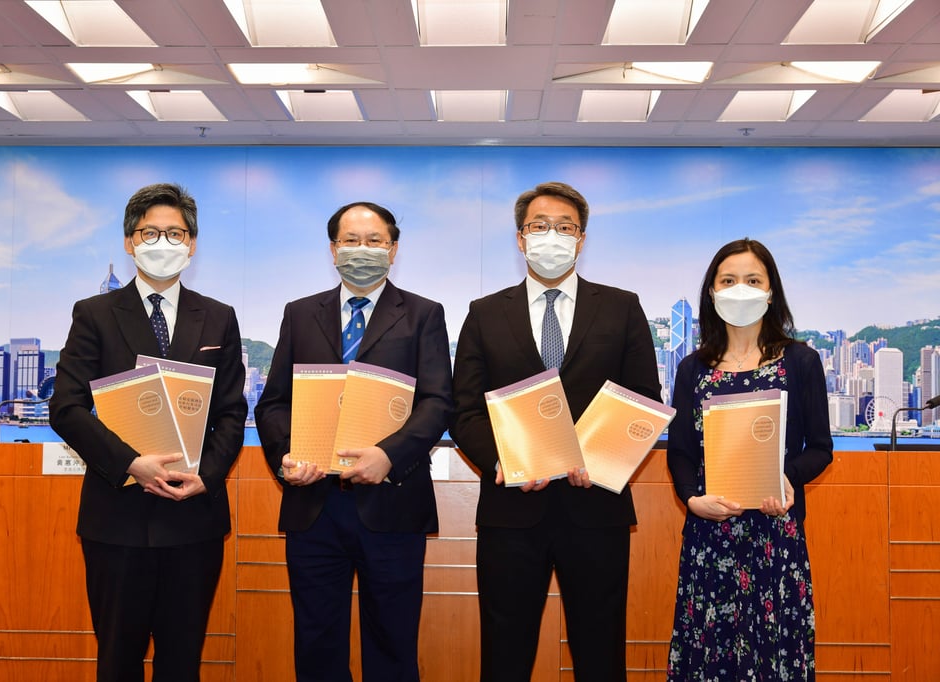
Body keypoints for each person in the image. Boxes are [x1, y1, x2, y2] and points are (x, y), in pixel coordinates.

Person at [450, 181, 661, 682]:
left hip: (597, 508)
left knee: (600, 647)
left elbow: (644, 401)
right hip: (511, 508)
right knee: (505, 649)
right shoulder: (484, 313)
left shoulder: (622, 307)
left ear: (581, 239)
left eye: (564, 228)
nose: (552, 236)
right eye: (539, 226)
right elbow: (464, 410)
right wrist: (504, 462)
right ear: (520, 238)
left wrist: (605, 459)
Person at [49, 182, 248, 682]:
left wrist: (209, 473)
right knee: (118, 659)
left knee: (183, 661)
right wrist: (131, 464)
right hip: (118, 516)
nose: (163, 242)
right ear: (129, 241)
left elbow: (230, 411)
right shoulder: (93, 314)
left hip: (194, 515)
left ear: (193, 243)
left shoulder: (218, 317)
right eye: (150, 232)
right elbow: (67, 408)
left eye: (175, 232)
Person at [253, 201, 453, 682]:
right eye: (351, 241)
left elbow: (437, 402)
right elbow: (273, 402)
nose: (362, 250)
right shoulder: (300, 314)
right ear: (333, 248)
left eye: (374, 241)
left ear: (393, 249)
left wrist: (389, 456)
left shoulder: (424, 314)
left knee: (393, 642)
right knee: (317, 642)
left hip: (393, 503)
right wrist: (287, 455)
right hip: (314, 504)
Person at [665, 238, 833, 680]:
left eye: (752, 279)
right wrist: (690, 498)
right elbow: (680, 450)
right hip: (710, 537)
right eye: (729, 280)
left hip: (775, 537)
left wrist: (785, 478)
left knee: (774, 656)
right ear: (713, 291)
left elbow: (820, 448)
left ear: (770, 290)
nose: (741, 288)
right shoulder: (693, 369)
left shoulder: (801, 361)